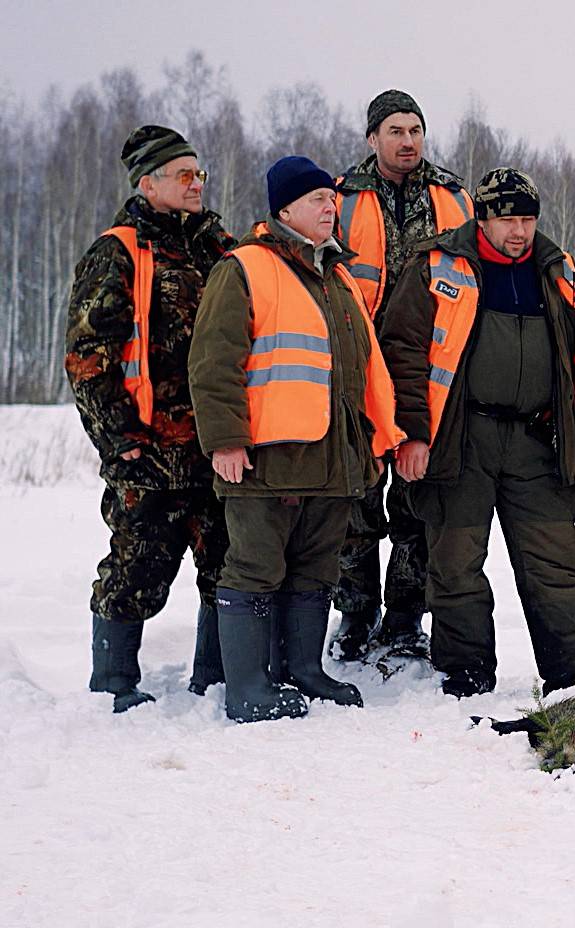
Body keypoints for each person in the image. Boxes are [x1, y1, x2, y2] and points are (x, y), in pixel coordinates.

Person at [379, 167, 575, 699]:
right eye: (507, 219)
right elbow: (402, 355)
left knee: (556, 564)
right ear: (483, 218)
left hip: (539, 441)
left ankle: (574, 679)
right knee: (456, 564)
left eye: (528, 219)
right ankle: (465, 674)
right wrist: (412, 435)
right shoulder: (435, 266)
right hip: (461, 439)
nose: (519, 231)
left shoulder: (559, 271)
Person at [189, 156, 405, 722]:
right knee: (255, 568)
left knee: (315, 570)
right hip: (266, 458)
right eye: (316, 200)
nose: (331, 208)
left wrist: (380, 439)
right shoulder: (243, 268)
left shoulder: (338, 277)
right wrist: (225, 441)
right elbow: (214, 362)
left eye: (332, 199)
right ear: (284, 210)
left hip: (334, 459)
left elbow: (367, 367)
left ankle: (303, 672)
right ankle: (247, 689)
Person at [66, 125, 233, 712]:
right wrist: (118, 441)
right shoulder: (117, 251)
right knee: (137, 571)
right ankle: (113, 685)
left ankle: (216, 681)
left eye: (199, 173)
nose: (196, 184)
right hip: (150, 452)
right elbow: (88, 357)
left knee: (227, 568)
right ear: (149, 182)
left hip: (217, 447)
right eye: (183, 174)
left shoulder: (219, 247)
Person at [329, 89, 473, 662]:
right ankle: (355, 614)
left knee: (418, 500)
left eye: (415, 129)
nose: (408, 140)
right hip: (360, 369)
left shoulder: (455, 196)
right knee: (356, 501)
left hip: (428, 370)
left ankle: (406, 618)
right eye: (395, 130)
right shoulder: (339, 198)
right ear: (372, 139)